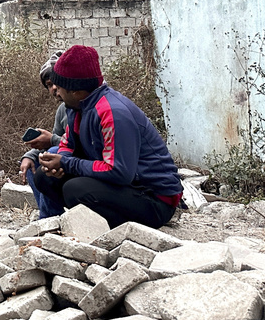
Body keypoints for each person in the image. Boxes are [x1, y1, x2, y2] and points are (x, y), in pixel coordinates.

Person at [31, 45, 183, 228]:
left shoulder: (113, 113)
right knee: (45, 177)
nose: (57, 92)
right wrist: (60, 163)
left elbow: (119, 172)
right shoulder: (76, 107)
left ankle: (113, 230)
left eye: (60, 87)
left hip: (154, 198)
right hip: (124, 186)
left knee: (75, 190)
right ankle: (61, 224)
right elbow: (68, 144)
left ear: (75, 91)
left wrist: (67, 163)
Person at [19, 52, 67, 218]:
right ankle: (50, 218)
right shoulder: (62, 110)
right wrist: (29, 156)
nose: (54, 88)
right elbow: (58, 138)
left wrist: (52, 140)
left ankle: (47, 219)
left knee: (51, 154)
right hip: (67, 160)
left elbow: (81, 144)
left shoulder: (85, 106)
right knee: (32, 163)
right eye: (49, 85)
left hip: (85, 165)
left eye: (56, 82)